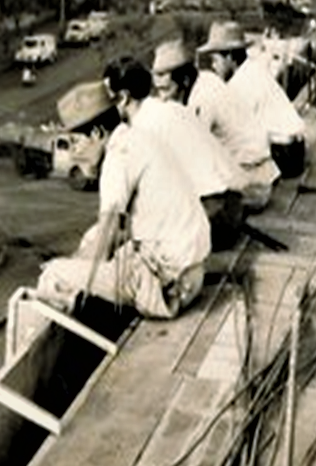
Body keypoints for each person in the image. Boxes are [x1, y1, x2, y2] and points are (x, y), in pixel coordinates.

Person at [36, 79, 211, 320]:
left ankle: (62, 348)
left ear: (97, 133)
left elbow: (109, 235)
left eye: (76, 141)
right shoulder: (137, 137)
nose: (74, 152)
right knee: (91, 240)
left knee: (53, 274)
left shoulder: (117, 157)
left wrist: (76, 268)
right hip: (191, 274)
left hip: (168, 289)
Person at [101, 56, 244, 251]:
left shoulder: (141, 130)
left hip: (212, 218)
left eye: (108, 98)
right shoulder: (170, 108)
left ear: (124, 97)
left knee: (132, 234)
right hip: (232, 206)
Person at [152, 38, 279, 212]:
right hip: (259, 175)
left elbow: (188, 156)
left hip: (252, 186)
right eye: (159, 92)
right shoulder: (206, 79)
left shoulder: (201, 100)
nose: (164, 99)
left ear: (185, 80)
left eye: (167, 91)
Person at [198, 22, 307, 179]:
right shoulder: (254, 68)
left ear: (229, 57)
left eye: (215, 60)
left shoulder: (239, 85)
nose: (214, 66)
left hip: (284, 154)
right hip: (295, 149)